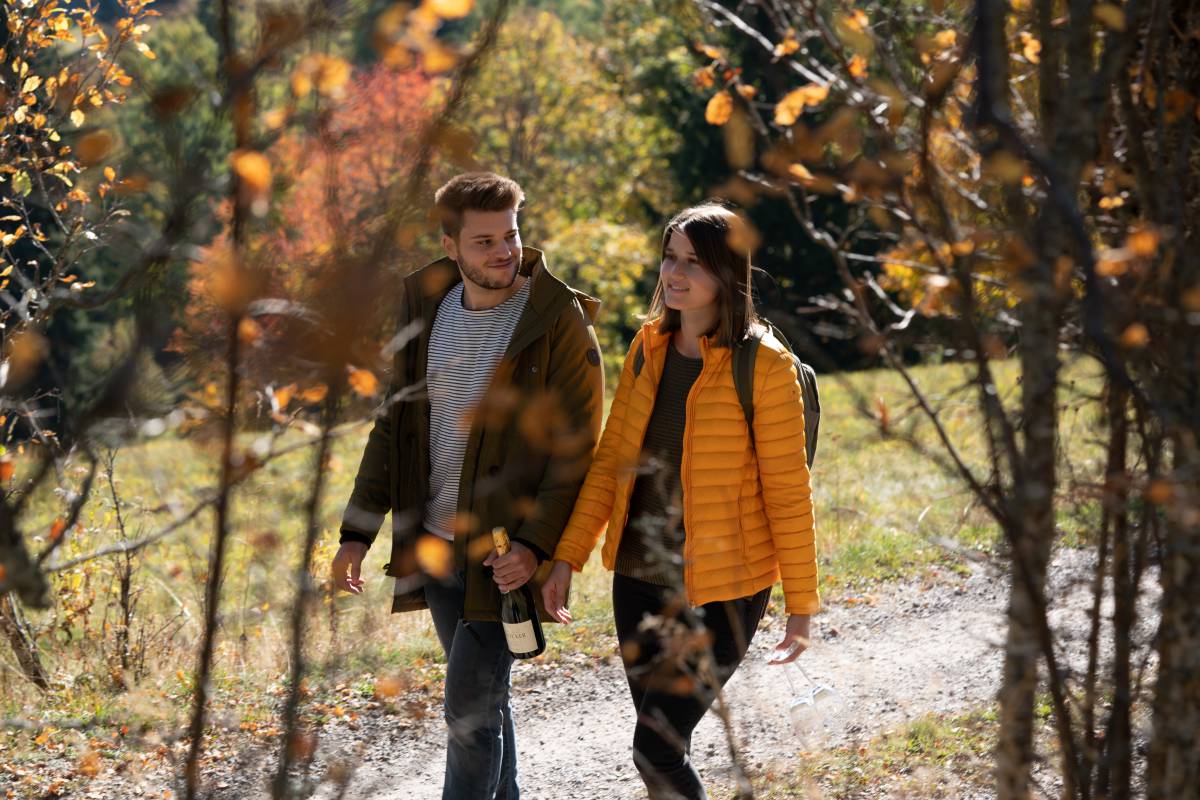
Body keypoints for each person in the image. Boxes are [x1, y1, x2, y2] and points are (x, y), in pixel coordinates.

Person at [331, 172, 604, 799]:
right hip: (437, 547)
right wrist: (356, 534)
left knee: (468, 711)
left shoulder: (555, 320)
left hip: (506, 554)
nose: (503, 251)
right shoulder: (425, 309)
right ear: (450, 245)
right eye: (483, 242)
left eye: (510, 235)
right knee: (485, 705)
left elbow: (576, 452)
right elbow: (392, 433)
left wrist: (535, 546)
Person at [541, 203, 818, 800]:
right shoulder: (648, 348)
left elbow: (789, 492)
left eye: (694, 261)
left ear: (728, 273)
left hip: (723, 591)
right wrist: (567, 556)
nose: (675, 272)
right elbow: (611, 462)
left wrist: (801, 604)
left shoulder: (765, 368)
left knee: (655, 749)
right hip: (639, 579)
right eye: (670, 256)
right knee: (660, 753)